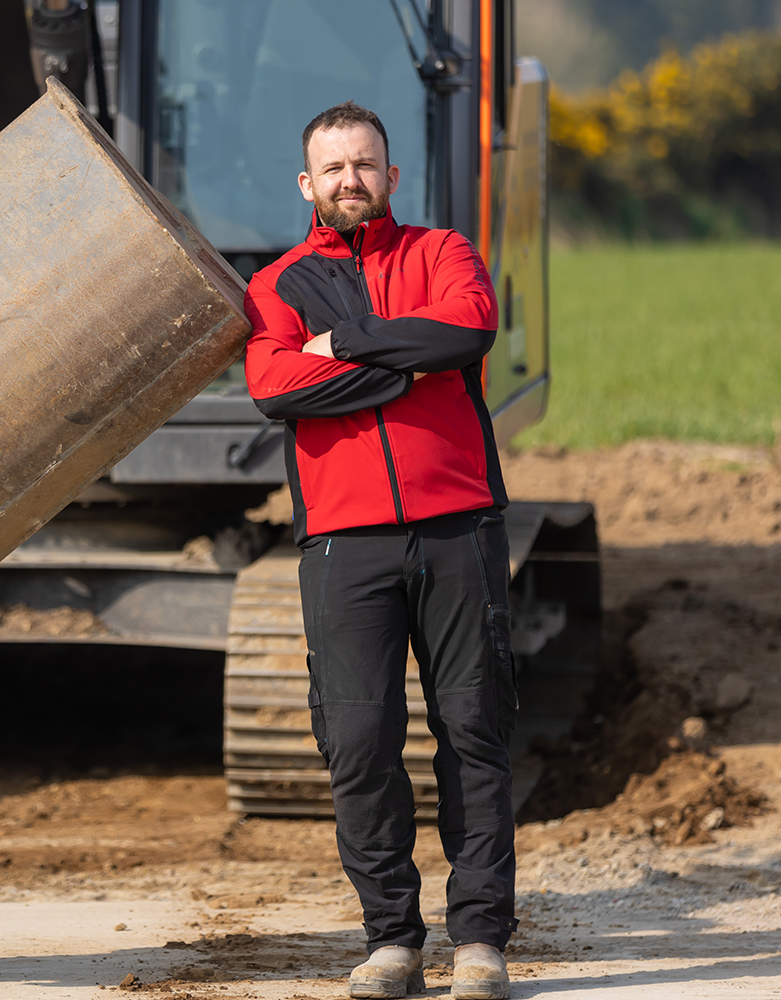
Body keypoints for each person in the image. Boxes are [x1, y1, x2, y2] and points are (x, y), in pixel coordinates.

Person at [242, 101, 517, 1000]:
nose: (349, 180)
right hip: (342, 544)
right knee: (358, 741)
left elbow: (468, 330)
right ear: (306, 184)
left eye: (365, 165)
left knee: (473, 732)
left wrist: (350, 345)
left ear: (391, 176)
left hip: (459, 525)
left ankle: (479, 942)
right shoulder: (276, 285)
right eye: (332, 168)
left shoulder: (443, 254)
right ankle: (391, 940)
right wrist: (408, 361)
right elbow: (279, 386)